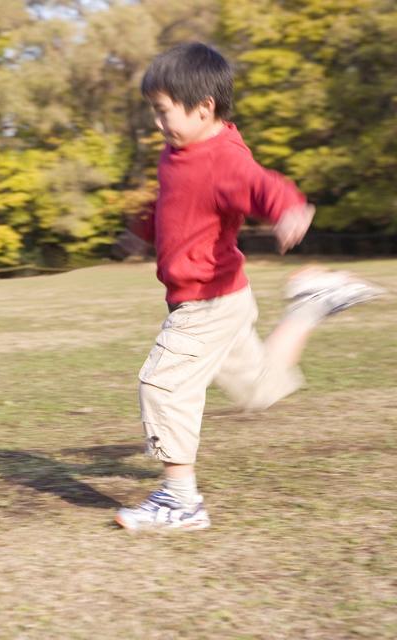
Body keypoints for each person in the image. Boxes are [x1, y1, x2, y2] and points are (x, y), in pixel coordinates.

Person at [114, 42, 384, 532]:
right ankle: (309, 307)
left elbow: (262, 183)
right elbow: (170, 200)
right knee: (258, 389)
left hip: (205, 302)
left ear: (204, 108)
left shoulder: (222, 158)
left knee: (162, 385)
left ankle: (180, 501)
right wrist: (142, 229)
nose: (157, 123)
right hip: (226, 298)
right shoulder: (180, 150)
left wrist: (288, 209)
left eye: (163, 112)